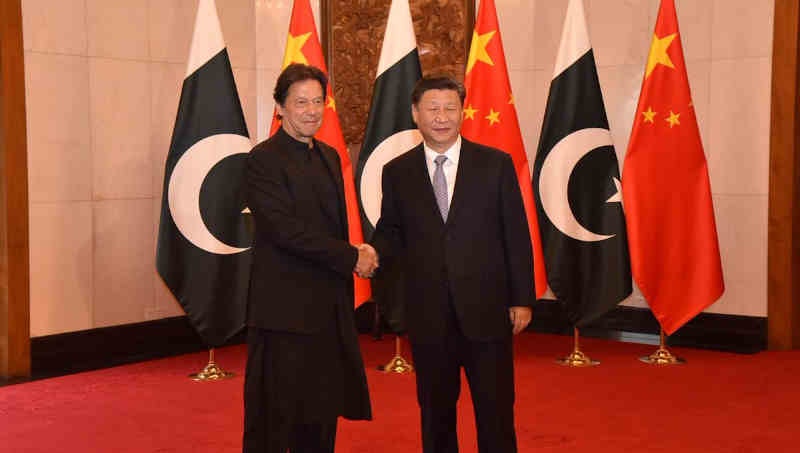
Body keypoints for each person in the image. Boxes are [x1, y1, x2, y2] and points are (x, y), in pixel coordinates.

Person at [370, 76, 534, 453]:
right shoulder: (397, 171)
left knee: (495, 412)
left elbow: (516, 234)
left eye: (449, 108)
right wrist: (369, 254)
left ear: (463, 112)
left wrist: (522, 298)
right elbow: (391, 230)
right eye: (432, 108)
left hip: (487, 311)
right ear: (415, 114)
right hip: (429, 315)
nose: (441, 117)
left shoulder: (495, 165)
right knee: (435, 412)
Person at [243, 63, 377, 453]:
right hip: (283, 312)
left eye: (318, 101)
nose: (311, 111)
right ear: (280, 108)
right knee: (276, 417)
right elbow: (284, 231)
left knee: (320, 413)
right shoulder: (262, 160)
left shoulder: (330, 157)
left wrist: (355, 251)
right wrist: (351, 255)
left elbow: (332, 227)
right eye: (301, 102)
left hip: (327, 310)